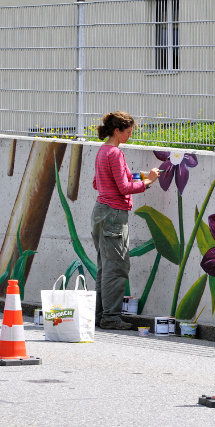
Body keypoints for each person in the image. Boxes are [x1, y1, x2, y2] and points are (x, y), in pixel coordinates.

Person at [91, 111, 160, 330]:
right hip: (114, 215)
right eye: (128, 132)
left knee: (105, 267)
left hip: (100, 212)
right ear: (117, 130)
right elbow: (123, 188)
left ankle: (100, 315)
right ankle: (111, 318)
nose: (130, 135)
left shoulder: (103, 151)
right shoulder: (115, 153)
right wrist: (148, 181)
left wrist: (131, 176)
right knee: (117, 268)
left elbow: (97, 183)